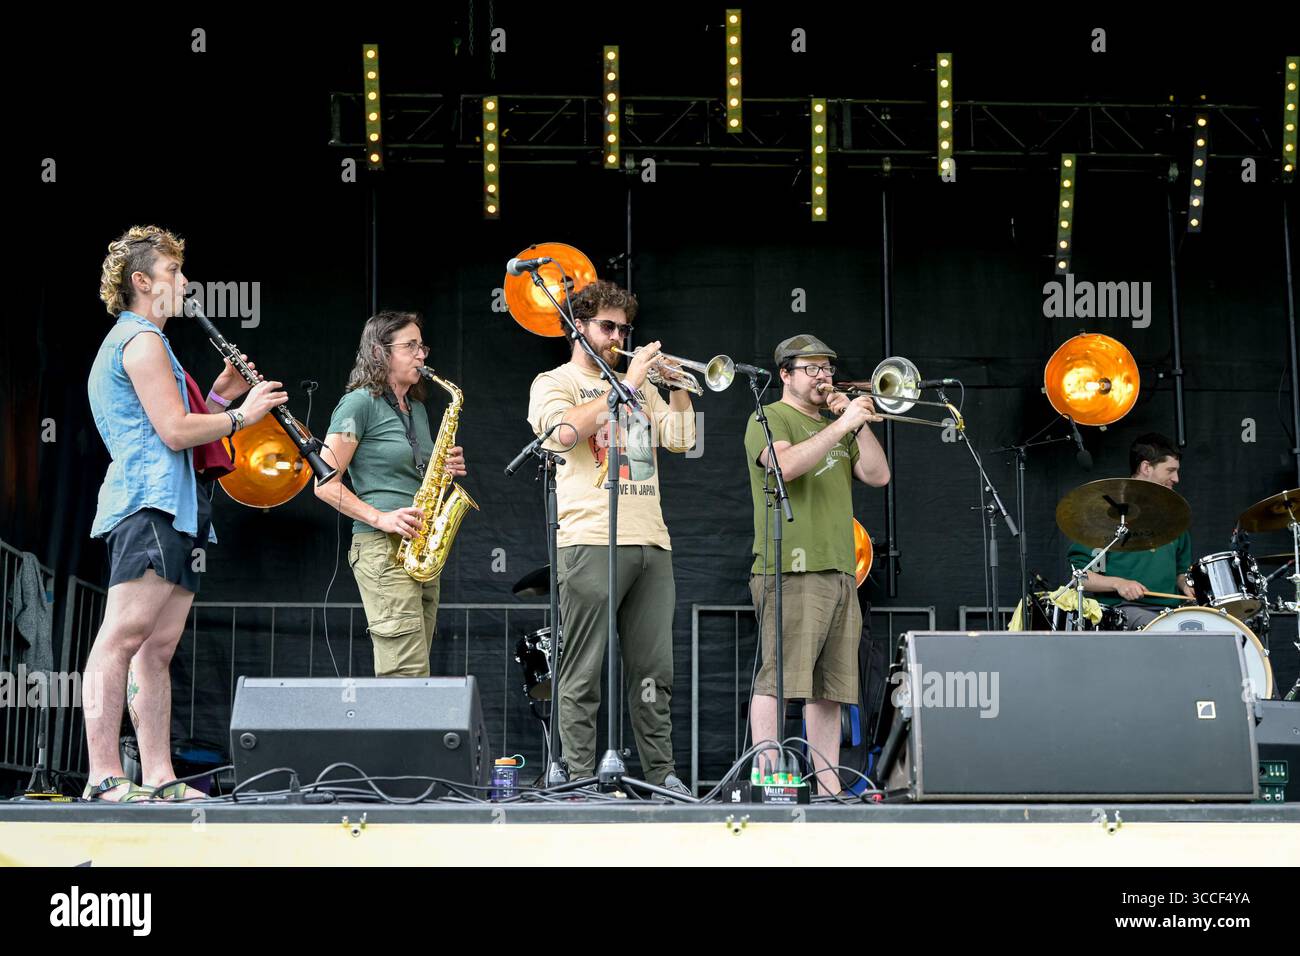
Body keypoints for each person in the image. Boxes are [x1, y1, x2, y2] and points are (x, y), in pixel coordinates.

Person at [84, 225, 287, 801]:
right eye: (174, 272)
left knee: (157, 647)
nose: (185, 281)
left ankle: (160, 777)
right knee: (122, 636)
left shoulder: (155, 343)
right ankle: (102, 775)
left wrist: (220, 398)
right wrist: (245, 415)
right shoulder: (140, 340)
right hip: (148, 501)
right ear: (142, 281)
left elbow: (182, 428)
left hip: (178, 507)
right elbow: (173, 432)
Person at [526, 280, 696, 794]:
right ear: (578, 326)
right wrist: (625, 384)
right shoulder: (552, 380)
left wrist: (680, 384)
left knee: (654, 671)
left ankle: (661, 772)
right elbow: (560, 436)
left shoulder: (640, 384)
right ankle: (577, 776)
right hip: (590, 537)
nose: (617, 336)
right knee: (582, 671)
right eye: (607, 327)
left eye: (624, 328)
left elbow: (683, 439)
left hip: (651, 539)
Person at [744, 334, 890, 796]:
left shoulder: (839, 425)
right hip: (791, 567)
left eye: (827, 367)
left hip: (842, 568)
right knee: (778, 678)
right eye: (811, 368)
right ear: (785, 375)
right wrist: (840, 423)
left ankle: (827, 790)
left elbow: (877, 475)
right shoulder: (769, 417)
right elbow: (783, 466)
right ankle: (767, 780)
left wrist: (859, 422)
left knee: (831, 687)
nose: (823, 375)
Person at [316, 311, 468, 677]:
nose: (421, 355)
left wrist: (443, 471)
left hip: (419, 546)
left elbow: (414, 475)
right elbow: (324, 484)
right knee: (404, 673)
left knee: (417, 669)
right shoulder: (358, 405)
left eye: (422, 346)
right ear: (380, 353)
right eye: (410, 346)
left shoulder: (416, 410)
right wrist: (380, 517)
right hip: (382, 548)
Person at [1067, 432, 1195, 629]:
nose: (1176, 478)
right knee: (1164, 631)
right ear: (1146, 467)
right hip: (1123, 609)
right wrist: (1118, 583)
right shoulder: (1106, 515)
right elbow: (1080, 578)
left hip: (1171, 611)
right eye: (1170, 470)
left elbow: (1181, 571)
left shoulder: (1173, 516)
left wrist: (1186, 585)